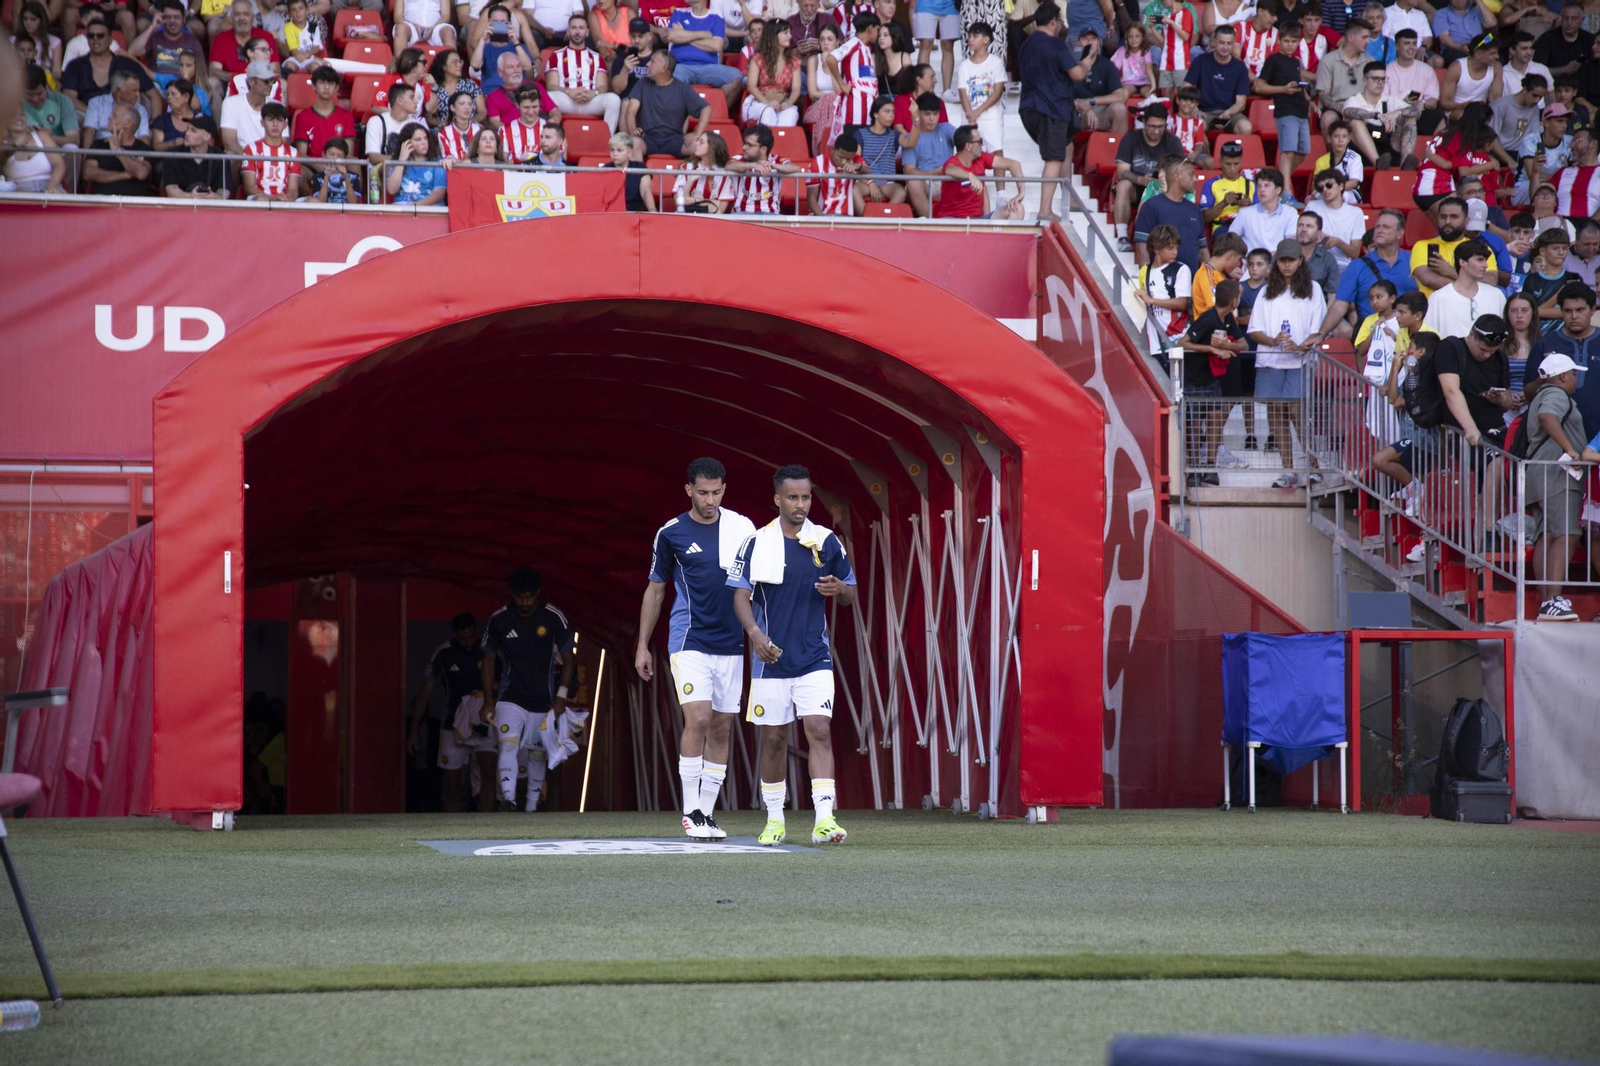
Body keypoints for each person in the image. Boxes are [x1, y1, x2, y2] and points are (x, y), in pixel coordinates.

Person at [728, 464, 856, 847]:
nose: (801, 504)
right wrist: (755, 634)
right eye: (793, 498)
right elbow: (739, 596)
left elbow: (850, 593)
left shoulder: (826, 541)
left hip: (814, 656)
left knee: (819, 729)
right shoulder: (756, 542)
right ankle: (774, 819)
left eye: (806, 497)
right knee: (773, 739)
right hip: (771, 659)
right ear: (777, 499)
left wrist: (840, 589)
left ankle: (824, 819)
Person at [636, 458, 757, 838]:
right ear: (688, 489)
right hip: (689, 639)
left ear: (724, 489)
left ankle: (707, 812)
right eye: (703, 492)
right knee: (700, 718)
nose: (710, 500)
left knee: (722, 726)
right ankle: (690, 811)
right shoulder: (671, 532)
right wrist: (641, 646)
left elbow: (761, 584)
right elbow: (656, 590)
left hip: (731, 642)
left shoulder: (743, 528)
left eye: (716, 492)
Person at [479, 567, 578, 812]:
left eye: (529, 597)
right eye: (519, 597)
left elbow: (569, 659)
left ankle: (531, 809)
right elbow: (488, 659)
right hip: (510, 697)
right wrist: (488, 700)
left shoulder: (553, 616)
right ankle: (508, 800)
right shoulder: (500, 619)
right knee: (508, 744)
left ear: (538, 593)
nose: (524, 602)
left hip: (544, 700)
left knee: (536, 754)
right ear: (512, 594)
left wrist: (561, 697)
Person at [1522, 352, 1599, 619]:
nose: (1576, 378)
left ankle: (1547, 602)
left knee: (1547, 535)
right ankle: (1553, 599)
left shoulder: (1542, 394)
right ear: (1563, 376)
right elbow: (1548, 417)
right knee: (1567, 534)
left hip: (1540, 473)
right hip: (1559, 475)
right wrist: (1570, 449)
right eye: (1574, 374)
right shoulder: (1556, 395)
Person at [1246, 238, 1327, 487]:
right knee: (1276, 415)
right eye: (1283, 260)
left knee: (1297, 413)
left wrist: (1301, 346)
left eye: (1291, 260)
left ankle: (1313, 466)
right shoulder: (1266, 291)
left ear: (1301, 261)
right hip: (1270, 361)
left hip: (1300, 361)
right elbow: (1254, 330)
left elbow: (1319, 329)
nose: (1287, 265)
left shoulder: (1313, 288)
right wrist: (1273, 341)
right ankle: (1288, 470)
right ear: (1276, 262)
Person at [408, 613, 489, 813]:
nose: (467, 642)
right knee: (452, 785)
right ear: (455, 634)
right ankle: (450, 828)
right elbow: (425, 691)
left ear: (476, 631)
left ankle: (491, 825)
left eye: (471, 637)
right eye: (462, 638)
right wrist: (414, 729)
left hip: (485, 721)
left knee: (488, 779)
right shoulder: (443, 652)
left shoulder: (488, 649)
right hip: (452, 723)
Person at [1179, 278, 1249, 483]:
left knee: (1216, 417)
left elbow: (1243, 345)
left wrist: (1227, 345)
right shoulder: (1208, 318)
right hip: (1194, 379)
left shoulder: (1227, 319)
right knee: (1193, 423)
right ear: (1234, 301)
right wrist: (1211, 349)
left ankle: (1210, 466)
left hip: (1213, 377)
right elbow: (1183, 343)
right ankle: (1193, 469)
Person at [1016, 1, 1075, 222]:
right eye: (1060, 21)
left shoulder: (1026, 44)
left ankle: (1068, 199)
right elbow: (1077, 74)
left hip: (1028, 107)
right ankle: (1045, 210)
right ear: (1053, 21)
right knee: (1054, 158)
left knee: (1066, 145)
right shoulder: (1056, 44)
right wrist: (1088, 61)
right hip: (1051, 108)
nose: (1061, 25)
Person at [1322, 207, 1418, 337]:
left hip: (1409, 336)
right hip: (1369, 338)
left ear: (1400, 233)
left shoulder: (1415, 262)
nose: (1379, 230)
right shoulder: (1357, 266)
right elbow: (1340, 305)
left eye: (1386, 227)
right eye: (1377, 226)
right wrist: (1321, 334)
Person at [1528, 283, 1600, 438]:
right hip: (1556, 435)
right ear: (1561, 311)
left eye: (1580, 310)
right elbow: (1529, 394)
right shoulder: (1545, 344)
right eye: (1568, 311)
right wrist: (1546, 377)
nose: (1574, 316)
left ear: (1593, 310)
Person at [1112, 102, 1185, 251]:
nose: (1156, 131)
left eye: (1160, 127)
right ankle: (1122, 236)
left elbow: (1180, 171)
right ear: (1144, 122)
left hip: (1163, 189)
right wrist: (1140, 180)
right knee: (1123, 185)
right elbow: (1122, 171)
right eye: (1152, 126)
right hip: (1137, 188)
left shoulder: (1172, 142)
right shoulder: (1131, 138)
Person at [63, 19, 160, 116]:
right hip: (86, 115)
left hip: (122, 116)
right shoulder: (75, 65)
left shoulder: (127, 64)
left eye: (100, 35)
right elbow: (69, 96)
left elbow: (154, 94)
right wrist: (93, 113)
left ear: (110, 39)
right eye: (91, 36)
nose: (95, 39)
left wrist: (155, 122)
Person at [626, 50, 712, 159]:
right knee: (632, 144)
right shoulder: (642, 83)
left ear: (663, 68)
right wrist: (633, 130)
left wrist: (697, 133)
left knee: (702, 147)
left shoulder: (682, 88)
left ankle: (689, 171)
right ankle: (639, 171)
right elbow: (631, 111)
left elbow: (706, 109)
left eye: (652, 61)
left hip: (675, 139)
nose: (647, 64)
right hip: (646, 138)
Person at [547, 11, 624, 131]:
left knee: (614, 100)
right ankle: (551, 136)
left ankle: (607, 138)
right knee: (548, 97)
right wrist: (569, 92)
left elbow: (603, 86)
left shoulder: (597, 57)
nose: (577, 31)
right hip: (567, 100)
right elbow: (551, 85)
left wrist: (593, 94)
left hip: (590, 101)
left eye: (581, 28)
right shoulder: (556, 56)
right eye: (573, 28)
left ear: (587, 32)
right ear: (568, 31)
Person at [1413, 195, 1502, 295]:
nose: (1447, 221)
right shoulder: (1422, 246)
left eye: (1454, 216)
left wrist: (1451, 272)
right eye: (1443, 217)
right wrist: (1471, 282)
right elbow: (1428, 280)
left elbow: (1491, 282)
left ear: (1466, 221)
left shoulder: (1480, 249)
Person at [1256, 21, 1312, 178]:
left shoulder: (1296, 61)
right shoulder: (1273, 60)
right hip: (1285, 110)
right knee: (1287, 152)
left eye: (1294, 41)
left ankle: (1279, 181)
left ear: (1298, 42)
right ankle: (1284, 188)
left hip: (1301, 111)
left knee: (1302, 152)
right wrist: (1283, 89)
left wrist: (1309, 100)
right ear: (1279, 40)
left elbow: (1297, 85)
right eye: (1286, 41)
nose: (1290, 45)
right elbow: (1259, 87)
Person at [933, 121, 1021, 218]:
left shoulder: (981, 157)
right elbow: (949, 169)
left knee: (1017, 208)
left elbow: (1014, 164)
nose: (982, 145)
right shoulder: (952, 162)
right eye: (979, 141)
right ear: (968, 146)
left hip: (978, 219)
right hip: (952, 220)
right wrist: (970, 176)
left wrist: (1021, 193)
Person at [1133, 154, 1205, 269]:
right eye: (1191, 175)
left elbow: (1202, 251)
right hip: (1159, 279)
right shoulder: (1151, 206)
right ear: (1177, 176)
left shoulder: (1195, 210)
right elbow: (1142, 248)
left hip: (1191, 278)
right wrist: (1146, 276)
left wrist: (1209, 276)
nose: (1195, 179)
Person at [668, 0, 743, 109]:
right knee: (672, 81)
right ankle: (680, 117)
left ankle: (715, 113)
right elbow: (672, 36)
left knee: (736, 76)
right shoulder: (679, 12)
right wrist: (704, 34)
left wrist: (685, 35)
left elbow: (716, 46)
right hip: (680, 66)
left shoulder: (716, 17)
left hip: (709, 67)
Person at [1423, 238, 1506, 336]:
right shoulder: (1438, 298)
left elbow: (1506, 333)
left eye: (1485, 260)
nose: (1486, 265)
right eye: (1480, 260)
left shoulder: (1496, 295)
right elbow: (1429, 338)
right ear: (1462, 262)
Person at [1344, 63, 1420, 168]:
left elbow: (1414, 111)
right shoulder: (1355, 100)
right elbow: (1348, 112)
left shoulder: (1390, 100)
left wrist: (1398, 112)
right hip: (1363, 152)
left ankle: (1406, 164)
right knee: (1355, 121)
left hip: (1388, 147)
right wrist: (1376, 115)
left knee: (1409, 117)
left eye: (1383, 79)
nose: (1380, 83)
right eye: (1376, 79)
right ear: (1365, 81)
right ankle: (1378, 163)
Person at [1135, 222, 1193, 361]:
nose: (1175, 252)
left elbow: (1182, 303)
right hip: (1155, 342)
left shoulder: (1181, 269)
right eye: (1170, 248)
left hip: (1178, 339)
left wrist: (1151, 300)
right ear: (1156, 248)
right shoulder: (1145, 271)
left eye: (1176, 248)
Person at [1184, 23, 1253, 133]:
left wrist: (1227, 113)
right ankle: (1203, 146)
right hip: (1204, 112)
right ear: (1214, 41)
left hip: (1230, 113)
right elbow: (1185, 88)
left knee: (1246, 127)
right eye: (1221, 42)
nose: (1225, 47)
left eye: (1229, 43)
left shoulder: (1240, 67)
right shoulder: (1200, 61)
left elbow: (1241, 102)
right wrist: (1195, 109)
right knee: (1197, 127)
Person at [1068, 27, 1129, 136]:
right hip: (1076, 109)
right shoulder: (1069, 64)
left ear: (1098, 42)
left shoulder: (1107, 65)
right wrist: (1084, 108)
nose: (1089, 42)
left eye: (1093, 39)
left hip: (1099, 109)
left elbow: (1120, 96)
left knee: (1119, 109)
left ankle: (1117, 146)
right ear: (1078, 42)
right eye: (1085, 39)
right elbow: (1061, 94)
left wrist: (1091, 102)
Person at [132, 0, 204, 91]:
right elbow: (133, 52)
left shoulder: (192, 42)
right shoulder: (154, 38)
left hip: (183, 87)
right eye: (168, 17)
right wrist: (152, 27)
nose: (172, 21)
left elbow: (202, 72)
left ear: (183, 19)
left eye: (176, 17)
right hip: (157, 86)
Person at [84, 102, 153, 195]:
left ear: (128, 123)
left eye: (114, 115)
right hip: (102, 201)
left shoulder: (144, 149)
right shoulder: (98, 145)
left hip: (133, 202)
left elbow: (141, 174)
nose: (109, 117)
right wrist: (125, 175)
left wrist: (118, 151)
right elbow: (88, 173)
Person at [1229, 166, 1299, 258]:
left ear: (1278, 190)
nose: (1261, 190)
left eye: (1267, 185)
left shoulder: (1290, 212)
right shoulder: (1244, 213)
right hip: (1251, 263)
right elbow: (1231, 239)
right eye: (1259, 186)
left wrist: (1272, 257)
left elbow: (1291, 242)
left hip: (1278, 261)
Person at [1509, 103, 1571, 206]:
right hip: (1525, 186)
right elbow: (1532, 174)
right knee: (1545, 187)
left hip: (1556, 185)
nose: (1564, 126)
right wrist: (1561, 180)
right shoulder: (1531, 140)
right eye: (1559, 121)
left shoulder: (1569, 141)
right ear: (1546, 123)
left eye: (1566, 121)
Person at [743, 17, 802, 126]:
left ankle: (782, 138)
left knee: (791, 113)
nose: (790, 36)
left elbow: (796, 89)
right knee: (768, 111)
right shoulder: (758, 58)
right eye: (785, 32)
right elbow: (751, 87)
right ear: (774, 35)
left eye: (789, 32)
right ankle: (765, 138)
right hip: (758, 102)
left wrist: (788, 103)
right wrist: (767, 103)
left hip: (781, 103)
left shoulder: (794, 61)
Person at [292, 64, 356, 161]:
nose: (326, 87)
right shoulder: (303, 116)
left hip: (339, 164)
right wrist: (321, 166)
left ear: (336, 88)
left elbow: (348, 154)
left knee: (355, 165)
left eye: (330, 83)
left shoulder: (346, 116)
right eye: (322, 83)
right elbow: (302, 155)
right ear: (314, 86)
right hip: (312, 165)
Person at [208, 1, 281, 87]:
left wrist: (257, 79)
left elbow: (275, 70)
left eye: (246, 14)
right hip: (230, 82)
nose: (241, 18)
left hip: (262, 82)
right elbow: (213, 70)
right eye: (237, 14)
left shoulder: (266, 36)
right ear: (231, 18)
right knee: (212, 82)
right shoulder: (220, 38)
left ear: (253, 17)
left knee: (282, 83)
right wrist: (237, 77)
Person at [1305, 167, 1366, 267]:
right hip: (1315, 263)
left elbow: (1355, 253)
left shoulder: (1356, 213)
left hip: (1343, 266)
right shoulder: (1312, 207)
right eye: (1320, 188)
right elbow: (1301, 241)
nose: (1325, 190)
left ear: (1341, 186)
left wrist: (1337, 242)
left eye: (1329, 185)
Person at [1523, 228, 1581, 330]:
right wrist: (1559, 295)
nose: (1561, 252)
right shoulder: (1532, 280)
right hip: (1538, 335)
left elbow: (1576, 312)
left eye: (1564, 248)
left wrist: (1539, 311)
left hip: (1567, 335)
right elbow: (1528, 313)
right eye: (1555, 248)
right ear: (1543, 251)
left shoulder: (1573, 278)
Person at [473, 7, 537, 97]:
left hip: (516, 94)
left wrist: (516, 42)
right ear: (489, 23)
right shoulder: (485, 47)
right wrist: (483, 39)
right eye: (495, 22)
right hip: (490, 93)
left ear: (509, 24)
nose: (499, 25)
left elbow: (528, 69)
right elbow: (475, 65)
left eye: (503, 22)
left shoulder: (520, 47)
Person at [1438, 32, 1505, 119]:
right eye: (1492, 53)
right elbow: (1445, 102)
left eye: (1497, 53)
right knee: (1462, 116)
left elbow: (1497, 97)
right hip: (1457, 110)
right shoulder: (1457, 68)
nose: (1497, 56)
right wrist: (1465, 106)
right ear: (1478, 55)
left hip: (1481, 112)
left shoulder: (1496, 67)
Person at [80, 69, 151, 147]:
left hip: (131, 149)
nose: (138, 95)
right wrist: (88, 153)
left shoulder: (140, 109)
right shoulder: (97, 103)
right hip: (102, 148)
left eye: (138, 90)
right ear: (119, 91)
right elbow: (89, 131)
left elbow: (144, 137)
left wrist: (144, 154)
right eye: (134, 90)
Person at [2, 106, 65, 193]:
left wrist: (51, 186)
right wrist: (12, 146)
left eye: (22, 114)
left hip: (49, 184)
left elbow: (59, 164)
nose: (19, 118)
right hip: (19, 190)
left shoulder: (42, 136)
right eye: (13, 115)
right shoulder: (3, 142)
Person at [1199, 140, 1254, 235]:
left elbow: (1262, 215)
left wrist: (1249, 206)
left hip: (1246, 227)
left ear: (1241, 161)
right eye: (1228, 164)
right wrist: (1223, 203)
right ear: (1220, 162)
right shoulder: (1211, 184)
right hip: (1222, 228)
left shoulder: (1251, 184)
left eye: (1236, 164)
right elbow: (1204, 218)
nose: (1232, 168)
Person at [221, 59, 275, 154]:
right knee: (231, 154)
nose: (270, 84)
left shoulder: (277, 106)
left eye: (272, 80)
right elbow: (229, 143)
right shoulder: (231, 103)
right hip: (241, 156)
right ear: (251, 81)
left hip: (269, 157)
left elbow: (282, 141)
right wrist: (249, 160)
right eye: (266, 81)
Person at [386, 121, 449, 203]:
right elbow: (391, 190)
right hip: (402, 206)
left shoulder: (436, 161)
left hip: (429, 208)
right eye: (418, 139)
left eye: (425, 138)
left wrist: (415, 207)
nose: (424, 142)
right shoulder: (398, 161)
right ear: (407, 143)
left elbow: (439, 193)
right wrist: (401, 160)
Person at [808, 128, 867, 214]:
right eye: (840, 157)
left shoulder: (855, 160)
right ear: (832, 150)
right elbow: (811, 200)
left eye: (848, 159)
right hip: (822, 215)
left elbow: (868, 172)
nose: (844, 161)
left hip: (846, 217)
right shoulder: (817, 163)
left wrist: (858, 166)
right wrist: (823, 220)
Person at [673, 128, 734, 210]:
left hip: (712, 217)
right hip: (687, 214)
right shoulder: (686, 167)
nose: (696, 144)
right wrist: (691, 180)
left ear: (712, 148)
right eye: (697, 140)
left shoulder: (724, 174)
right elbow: (678, 201)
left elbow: (721, 210)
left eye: (701, 142)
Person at [366, 79, 422, 166]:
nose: (416, 101)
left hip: (408, 169)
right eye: (411, 97)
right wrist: (401, 159)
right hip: (380, 169)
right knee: (390, 166)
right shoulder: (376, 122)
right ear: (400, 101)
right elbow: (374, 157)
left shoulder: (416, 125)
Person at [1385, 29, 1441, 114]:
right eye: (1407, 43)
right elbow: (1383, 101)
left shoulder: (1427, 70)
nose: (1411, 47)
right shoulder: (1387, 70)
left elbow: (1433, 101)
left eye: (1414, 43)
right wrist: (1402, 103)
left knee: (1438, 115)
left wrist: (1421, 103)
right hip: (1393, 114)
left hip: (1418, 113)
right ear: (1397, 46)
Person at [1535, 2, 1593, 78]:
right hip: (1554, 83)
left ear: (1582, 20)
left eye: (1574, 18)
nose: (1569, 23)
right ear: (1561, 18)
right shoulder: (1547, 38)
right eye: (1565, 18)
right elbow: (1537, 69)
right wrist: (1564, 70)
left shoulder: (1590, 40)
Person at [601, 130, 656, 210]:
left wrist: (652, 210)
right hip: (612, 212)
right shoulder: (604, 170)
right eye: (612, 150)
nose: (615, 154)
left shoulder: (640, 168)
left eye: (619, 150)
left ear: (629, 152)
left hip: (635, 212)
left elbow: (646, 191)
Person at [1155, 0, 1199, 95]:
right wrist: (1152, 28)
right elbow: (1163, 42)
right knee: (1167, 94)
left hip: (1181, 61)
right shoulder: (1168, 16)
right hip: (1166, 61)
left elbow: (1185, 37)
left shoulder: (1186, 13)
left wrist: (1172, 23)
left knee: (1182, 93)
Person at [432, 49, 486, 126]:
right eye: (455, 62)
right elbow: (428, 116)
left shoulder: (470, 84)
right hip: (444, 127)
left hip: (471, 126)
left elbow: (482, 111)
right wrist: (441, 123)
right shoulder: (435, 87)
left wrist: (471, 122)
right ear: (444, 67)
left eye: (460, 61)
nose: (459, 65)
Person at [1294, 210, 1342, 296]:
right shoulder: (1283, 254)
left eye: (1309, 226)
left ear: (1319, 233)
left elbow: (1332, 295)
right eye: (1300, 225)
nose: (1303, 229)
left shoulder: (1328, 259)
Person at [1434, 0, 1495, 65]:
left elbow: (1492, 23)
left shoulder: (1477, 11)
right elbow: (1444, 38)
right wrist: (1460, 47)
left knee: (1495, 58)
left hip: (1479, 47)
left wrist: (1479, 1)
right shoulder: (1442, 13)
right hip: (1455, 49)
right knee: (1461, 60)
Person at [499, 85, 548, 161]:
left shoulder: (550, 128)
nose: (531, 112)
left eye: (535, 107)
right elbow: (504, 160)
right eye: (526, 107)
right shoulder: (505, 130)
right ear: (517, 105)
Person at [1109, 22, 1156, 101]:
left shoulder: (1146, 51)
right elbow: (1112, 68)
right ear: (1126, 38)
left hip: (1144, 83)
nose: (1134, 39)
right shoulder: (1122, 50)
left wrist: (1153, 85)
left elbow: (1149, 69)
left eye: (1137, 36)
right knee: (1122, 95)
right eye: (1130, 36)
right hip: (1128, 83)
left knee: (1151, 96)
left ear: (1142, 38)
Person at [304, 136, 358, 201]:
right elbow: (320, 202)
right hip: (325, 207)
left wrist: (346, 177)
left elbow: (353, 202)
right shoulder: (317, 177)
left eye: (340, 155)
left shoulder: (354, 176)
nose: (335, 158)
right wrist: (327, 177)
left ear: (345, 158)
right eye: (331, 154)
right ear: (324, 155)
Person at [1238, 5, 1279, 79]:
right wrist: (1246, 72)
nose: (1275, 19)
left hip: (1265, 81)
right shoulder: (1240, 27)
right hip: (1240, 77)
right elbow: (1234, 55)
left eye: (1276, 15)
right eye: (1272, 15)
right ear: (1260, 11)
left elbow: (1275, 63)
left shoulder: (1276, 34)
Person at [1565, 219, 1600, 285]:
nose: (1591, 248)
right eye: (1587, 244)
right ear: (1576, 240)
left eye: (1595, 244)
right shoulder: (1563, 257)